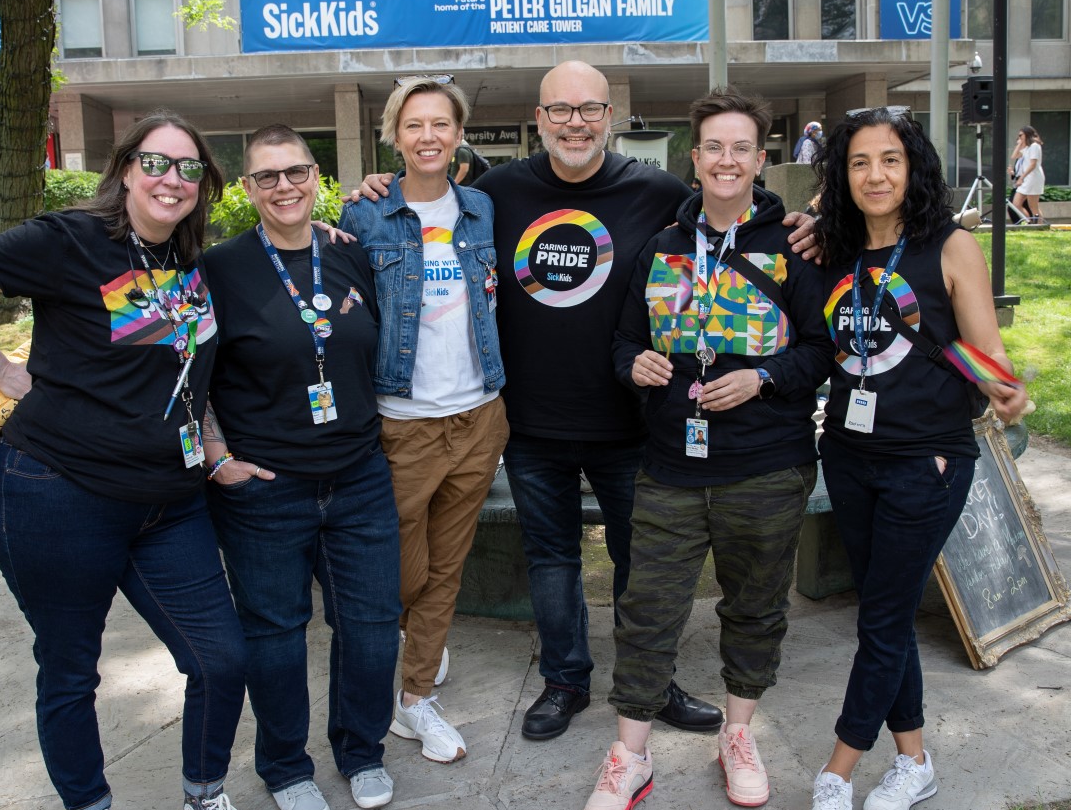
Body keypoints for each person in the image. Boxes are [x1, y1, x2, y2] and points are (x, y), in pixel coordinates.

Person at [351, 60, 819, 745]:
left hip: (633, 420)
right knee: (552, 558)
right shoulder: (495, 193)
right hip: (532, 421)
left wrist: (804, 222)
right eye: (560, 110)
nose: (575, 122)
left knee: (645, 562)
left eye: (590, 109)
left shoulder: (657, 190)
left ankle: (650, 684)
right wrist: (378, 185)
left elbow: (728, 219)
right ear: (538, 120)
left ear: (610, 117)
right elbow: (422, 204)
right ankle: (565, 679)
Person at [0, 111, 272, 810]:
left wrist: (215, 454)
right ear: (126, 169)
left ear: (205, 186)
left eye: (189, 168)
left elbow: (185, 377)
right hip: (59, 495)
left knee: (222, 658)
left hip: (169, 504)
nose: (172, 179)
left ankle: (204, 804)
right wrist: (0, 368)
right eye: (156, 163)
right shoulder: (69, 240)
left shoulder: (187, 267)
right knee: (71, 670)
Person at [583, 86, 831, 810]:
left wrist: (763, 376)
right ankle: (631, 754)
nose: (727, 160)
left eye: (741, 148)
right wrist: (636, 366)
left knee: (754, 606)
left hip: (767, 463)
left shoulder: (794, 247)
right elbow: (625, 340)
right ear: (695, 158)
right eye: (713, 147)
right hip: (670, 464)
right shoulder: (660, 248)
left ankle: (738, 735)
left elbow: (822, 349)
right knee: (647, 608)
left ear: (761, 159)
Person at [804, 107, 1030, 810]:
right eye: (860, 161)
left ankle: (835, 774)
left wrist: (1005, 388)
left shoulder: (948, 246)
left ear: (914, 167)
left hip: (926, 460)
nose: (876, 174)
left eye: (891, 159)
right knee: (888, 614)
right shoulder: (833, 249)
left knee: (881, 617)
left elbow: (972, 350)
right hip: (847, 452)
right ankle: (915, 761)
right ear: (842, 173)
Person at [202, 124, 401, 810]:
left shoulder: (350, 253)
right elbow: (192, 376)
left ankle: (361, 750)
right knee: (276, 633)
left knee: (374, 626)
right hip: (266, 488)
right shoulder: (219, 268)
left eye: (295, 173)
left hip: (358, 476)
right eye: (266, 177)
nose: (284, 187)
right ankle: (286, 765)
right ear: (247, 189)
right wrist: (219, 457)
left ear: (317, 176)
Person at [338, 75, 508, 764]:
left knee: (448, 567)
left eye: (442, 123)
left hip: (478, 415)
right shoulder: (365, 216)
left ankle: (415, 701)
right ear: (394, 135)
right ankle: (416, 646)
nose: (429, 136)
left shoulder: (482, 210)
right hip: (401, 421)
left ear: (459, 133)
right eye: (415, 125)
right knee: (403, 572)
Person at [1012, 125, 1045, 225]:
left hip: (1033, 178)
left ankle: (1039, 225)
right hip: (1027, 178)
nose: (1019, 137)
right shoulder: (1026, 148)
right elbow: (1014, 156)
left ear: (1027, 134)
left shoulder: (1035, 146)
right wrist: (1019, 144)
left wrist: (1021, 178)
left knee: (1033, 206)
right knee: (1016, 203)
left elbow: (1033, 164)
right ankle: (1030, 221)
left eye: (1021, 135)